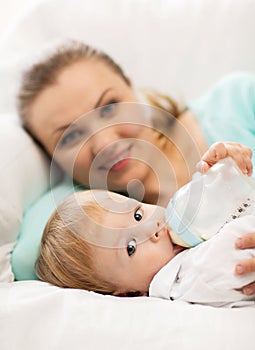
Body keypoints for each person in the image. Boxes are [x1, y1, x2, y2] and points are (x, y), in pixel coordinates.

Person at [17, 40, 255, 294]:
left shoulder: (238, 101)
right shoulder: (98, 225)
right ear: (52, 160)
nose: (105, 144)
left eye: (109, 107)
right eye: (70, 137)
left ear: (132, 89)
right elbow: (24, 262)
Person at [35, 162, 255, 307]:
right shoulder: (184, 277)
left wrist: (226, 169)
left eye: (138, 214)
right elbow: (238, 247)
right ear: (128, 294)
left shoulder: (189, 233)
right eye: (130, 247)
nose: (153, 228)